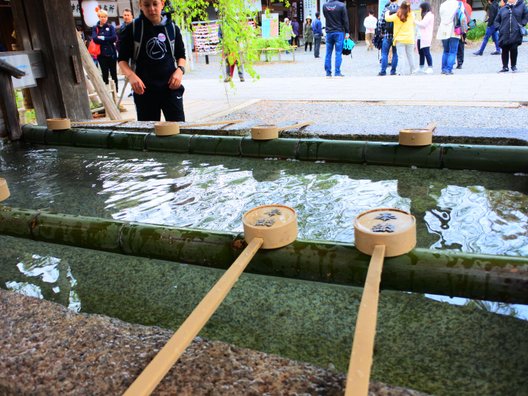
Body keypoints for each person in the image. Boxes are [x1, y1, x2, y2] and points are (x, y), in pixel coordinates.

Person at [118, 0, 186, 121]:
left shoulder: (172, 28)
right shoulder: (132, 29)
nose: (152, 9)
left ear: (162, 4)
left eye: (155, 4)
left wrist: (180, 70)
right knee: (148, 134)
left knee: (178, 130)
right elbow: (122, 60)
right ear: (140, 5)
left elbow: (181, 55)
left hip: (171, 88)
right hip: (144, 91)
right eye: (147, 5)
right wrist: (131, 76)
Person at [494, 0, 528, 72]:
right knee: (504, 49)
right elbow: (496, 20)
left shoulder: (522, 6)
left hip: (516, 32)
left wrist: (522, 24)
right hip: (504, 33)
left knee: (514, 48)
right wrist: (499, 28)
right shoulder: (503, 8)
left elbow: (526, 16)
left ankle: (513, 65)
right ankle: (505, 66)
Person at [385, 0, 415, 75]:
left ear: (401, 6)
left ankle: (401, 72)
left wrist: (387, 12)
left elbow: (387, 19)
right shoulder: (412, 15)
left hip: (399, 39)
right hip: (410, 38)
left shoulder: (397, 15)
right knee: (410, 56)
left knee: (401, 57)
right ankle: (413, 71)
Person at [91, 9, 119, 91]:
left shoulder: (110, 27)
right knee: (104, 73)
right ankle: (106, 90)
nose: (103, 18)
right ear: (99, 17)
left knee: (114, 73)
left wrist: (103, 38)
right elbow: (95, 39)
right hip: (101, 54)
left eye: (105, 17)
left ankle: (116, 90)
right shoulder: (95, 28)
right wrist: (107, 39)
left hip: (111, 53)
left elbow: (114, 38)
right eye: (101, 17)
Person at [323, 0, 350, 77]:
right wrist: (347, 32)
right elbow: (345, 20)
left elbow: (326, 17)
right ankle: (337, 72)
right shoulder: (341, 5)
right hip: (339, 31)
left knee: (328, 53)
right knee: (338, 53)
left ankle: (328, 72)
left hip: (329, 32)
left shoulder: (325, 6)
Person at [436, 0, 462, 75]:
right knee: (452, 51)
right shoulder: (458, 4)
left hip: (443, 29)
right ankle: (448, 69)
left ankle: (443, 69)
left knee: (446, 50)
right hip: (454, 29)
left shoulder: (442, 4)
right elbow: (461, 16)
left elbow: (441, 15)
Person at [377, 0, 400, 76]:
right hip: (396, 35)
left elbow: (380, 21)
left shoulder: (386, 9)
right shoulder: (400, 9)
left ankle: (383, 71)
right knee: (395, 53)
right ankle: (393, 71)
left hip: (387, 35)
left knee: (384, 53)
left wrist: (381, 31)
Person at [415, 1, 435, 73]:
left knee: (426, 52)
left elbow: (423, 24)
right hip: (420, 36)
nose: (420, 9)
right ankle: (421, 67)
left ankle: (430, 67)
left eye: (421, 8)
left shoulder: (429, 15)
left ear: (424, 8)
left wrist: (415, 21)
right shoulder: (425, 15)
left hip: (426, 36)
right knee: (421, 53)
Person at [456, 0, 472, 69]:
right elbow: (469, 16)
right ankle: (460, 62)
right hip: (464, 28)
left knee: (454, 44)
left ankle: (453, 60)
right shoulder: (468, 6)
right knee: (461, 45)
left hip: (456, 27)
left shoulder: (456, 4)